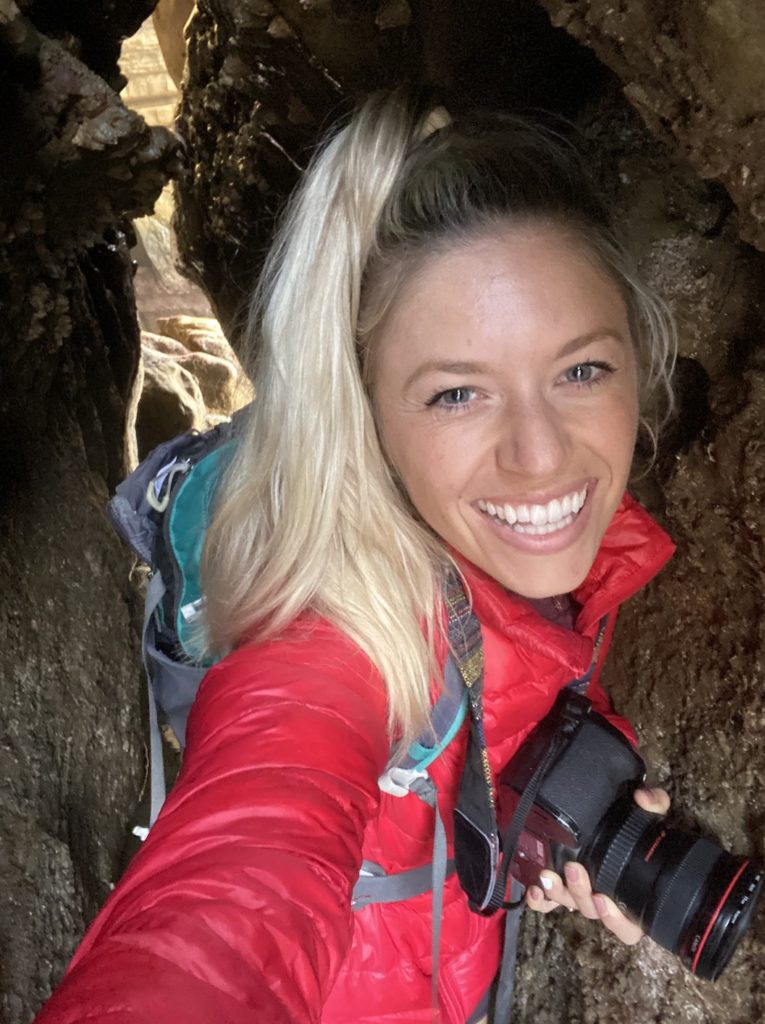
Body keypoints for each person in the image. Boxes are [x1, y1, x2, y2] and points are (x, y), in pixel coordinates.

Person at [34, 90, 677, 1024]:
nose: (540, 456)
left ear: (639, 358)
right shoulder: (321, 641)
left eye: (581, 371)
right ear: (364, 408)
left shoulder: (527, 559)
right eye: (457, 394)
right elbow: (235, 885)